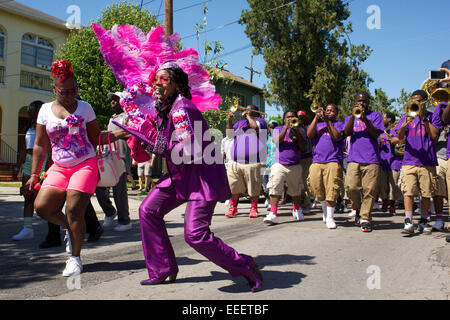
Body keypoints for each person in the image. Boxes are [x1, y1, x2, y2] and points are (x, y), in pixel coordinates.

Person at [111, 62, 263, 291]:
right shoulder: (165, 109)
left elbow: (189, 150)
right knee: (148, 211)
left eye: (164, 79)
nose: (157, 84)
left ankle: (245, 266)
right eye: (156, 80)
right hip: (180, 174)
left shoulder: (182, 108)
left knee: (195, 234)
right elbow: (163, 143)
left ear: (177, 83)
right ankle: (162, 268)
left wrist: (152, 138)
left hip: (201, 176)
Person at [25, 60, 128, 277]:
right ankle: (71, 228)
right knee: (42, 207)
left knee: (74, 209)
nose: (71, 95)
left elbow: (96, 138)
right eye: (65, 92)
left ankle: (75, 258)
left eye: (74, 90)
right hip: (59, 166)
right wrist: (34, 174)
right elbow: (40, 145)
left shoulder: (85, 108)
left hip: (85, 164)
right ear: (55, 89)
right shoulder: (44, 110)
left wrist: (120, 134)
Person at [397, 90, 439, 235]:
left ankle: (424, 220)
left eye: (419, 100)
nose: (416, 103)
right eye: (413, 100)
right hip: (409, 161)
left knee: (426, 193)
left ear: (425, 101)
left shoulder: (432, 117)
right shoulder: (406, 117)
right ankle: (408, 220)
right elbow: (400, 138)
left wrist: (424, 118)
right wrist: (404, 124)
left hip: (427, 162)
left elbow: (434, 136)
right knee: (408, 191)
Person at [343, 92, 385, 232]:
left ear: (368, 102)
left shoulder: (375, 116)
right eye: (359, 101)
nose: (362, 103)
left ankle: (365, 218)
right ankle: (358, 209)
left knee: (370, 190)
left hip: (371, 159)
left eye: (364, 101)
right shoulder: (350, 117)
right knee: (351, 187)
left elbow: (376, 134)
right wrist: (354, 116)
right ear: (355, 102)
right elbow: (347, 132)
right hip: (354, 158)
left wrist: (365, 119)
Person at [95, 92, 133, 232]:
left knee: (119, 191)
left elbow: (133, 134)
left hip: (121, 158)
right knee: (100, 187)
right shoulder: (112, 119)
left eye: (115, 100)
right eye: (111, 101)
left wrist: (116, 136)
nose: (112, 103)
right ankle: (110, 212)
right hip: (108, 157)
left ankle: (125, 220)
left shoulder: (127, 117)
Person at [263, 111, 306, 225]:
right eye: (288, 117)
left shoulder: (300, 130)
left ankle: (296, 209)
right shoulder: (278, 129)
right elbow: (276, 142)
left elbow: (304, 148)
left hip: (295, 164)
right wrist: (286, 128)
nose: (290, 118)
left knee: (296, 190)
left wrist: (296, 131)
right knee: (274, 187)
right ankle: (273, 214)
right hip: (279, 164)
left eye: (292, 117)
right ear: (284, 119)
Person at [12, 101, 47, 241]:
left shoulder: (45, 126)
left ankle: (56, 228)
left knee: (43, 198)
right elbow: (22, 149)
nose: (29, 111)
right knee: (28, 196)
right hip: (28, 161)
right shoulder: (29, 126)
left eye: (32, 108)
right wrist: (17, 167)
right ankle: (27, 229)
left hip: (42, 161)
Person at [225, 104, 267, 218]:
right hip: (236, 161)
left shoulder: (260, 121)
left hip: (253, 162)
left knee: (254, 187)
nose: (246, 110)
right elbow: (229, 134)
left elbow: (255, 127)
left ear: (256, 112)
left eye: (249, 109)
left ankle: (254, 208)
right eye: (246, 109)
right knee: (233, 186)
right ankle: (233, 207)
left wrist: (248, 116)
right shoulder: (239, 124)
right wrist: (229, 120)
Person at [307, 104, 345, 229]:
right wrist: (316, 118)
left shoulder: (340, 124)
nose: (329, 112)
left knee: (332, 189)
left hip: (333, 161)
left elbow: (336, 136)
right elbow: (309, 134)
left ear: (336, 113)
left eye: (332, 111)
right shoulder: (318, 125)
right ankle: (325, 209)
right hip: (317, 160)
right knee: (315, 186)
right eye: (327, 110)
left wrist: (327, 121)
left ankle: (330, 217)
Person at [378, 112, 402, 215]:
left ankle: (392, 204)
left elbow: (400, 140)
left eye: (383, 117)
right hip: (383, 161)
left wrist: (391, 140)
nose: (381, 119)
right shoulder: (380, 131)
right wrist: (379, 141)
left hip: (394, 161)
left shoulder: (395, 130)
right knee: (382, 184)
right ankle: (384, 201)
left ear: (389, 119)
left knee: (394, 185)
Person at [297, 110, 313, 213]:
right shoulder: (294, 126)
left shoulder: (307, 127)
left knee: (305, 182)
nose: (299, 119)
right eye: (298, 117)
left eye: (301, 117)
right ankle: (301, 203)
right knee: (298, 183)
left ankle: (306, 204)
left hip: (306, 157)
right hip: (295, 158)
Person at [262, 120, 278, 211]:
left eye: (273, 127)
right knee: (265, 184)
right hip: (266, 165)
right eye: (270, 127)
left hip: (276, 165)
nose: (271, 129)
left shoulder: (280, 138)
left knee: (273, 184)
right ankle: (267, 198)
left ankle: (271, 202)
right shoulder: (266, 138)